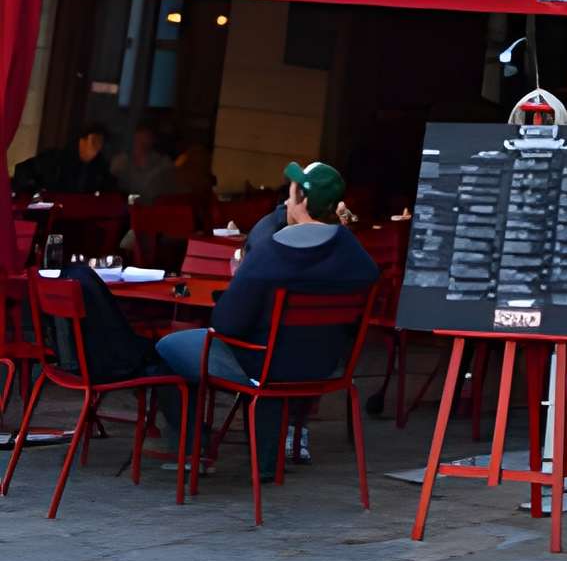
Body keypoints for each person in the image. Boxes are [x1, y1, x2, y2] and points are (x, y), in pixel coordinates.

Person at [154, 161, 375, 468]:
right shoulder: (356, 255)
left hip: (266, 366)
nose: (286, 199)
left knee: (167, 348)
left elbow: (226, 325)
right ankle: (267, 458)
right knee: (266, 347)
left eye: (291, 192)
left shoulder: (271, 252)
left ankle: (194, 449)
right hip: (325, 365)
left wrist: (241, 278)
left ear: (303, 201)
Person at [14, 123, 115, 196]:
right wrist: (36, 195)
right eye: (94, 142)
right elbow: (23, 171)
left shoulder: (98, 170)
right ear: (82, 140)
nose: (96, 149)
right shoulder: (55, 159)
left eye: (100, 144)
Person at [110, 118, 179, 204]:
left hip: (157, 209)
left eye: (146, 135)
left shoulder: (164, 164)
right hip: (126, 209)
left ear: (153, 139)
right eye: (138, 135)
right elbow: (114, 195)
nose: (141, 139)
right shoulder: (120, 162)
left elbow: (170, 195)